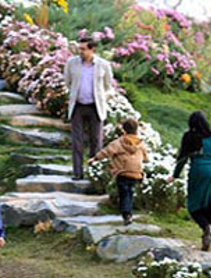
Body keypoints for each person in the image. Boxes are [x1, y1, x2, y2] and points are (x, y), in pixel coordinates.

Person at [172, 112, 211, 251]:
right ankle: (208, 237)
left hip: (198, 171)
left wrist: (175, 176)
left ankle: (206, 227)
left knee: (194, 206)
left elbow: (182, 159)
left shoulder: (189, 137)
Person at [62, 38, 115, 180]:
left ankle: (94, 174)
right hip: (78, 106)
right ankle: (77, 173)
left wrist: (103, 97)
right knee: (76, 141)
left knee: (96, 142)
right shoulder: (71, 63)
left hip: (95, 107)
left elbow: (109, 87)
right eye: (79, 48)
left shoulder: (103, 65)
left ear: (92, 50)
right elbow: (67, 82)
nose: (80, 52)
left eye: (83, 49)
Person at [89, 119, 149, 226]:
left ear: (124, 131)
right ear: (136, 130)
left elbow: (106, 151)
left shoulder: (119, 142)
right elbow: (146, 158)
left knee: (124, 192)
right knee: (129, 191)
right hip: (136, 173)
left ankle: (127, 214)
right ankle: (129, 212)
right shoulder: (141, 144)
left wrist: (95, 158)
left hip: (123, 172)